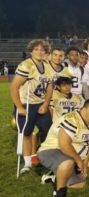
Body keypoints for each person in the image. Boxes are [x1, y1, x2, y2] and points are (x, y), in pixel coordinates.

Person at [37, 99, 89, 197]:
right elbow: (64, 145)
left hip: (67, 155)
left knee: (80, 184)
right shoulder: (72, 119)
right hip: (50, 150)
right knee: (67, 162)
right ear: (84, 109)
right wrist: (79, 161)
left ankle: (54, 176)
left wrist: (85, 164)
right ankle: (59, 195)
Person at [10, 39, 55, 174]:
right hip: (27, 104)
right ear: (31, 51)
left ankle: (44, 157)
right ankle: (28, 162)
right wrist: (19, 107)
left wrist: (46, 104)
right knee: (27, 132)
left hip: (41, 104)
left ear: (46, 52)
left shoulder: (47, 66)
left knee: (47, 131)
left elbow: (50, 87)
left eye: (42, 50)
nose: (39, 52)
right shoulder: (26, 65)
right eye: (36, 49)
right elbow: (14, 87)